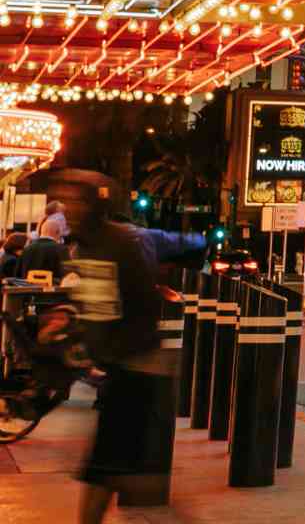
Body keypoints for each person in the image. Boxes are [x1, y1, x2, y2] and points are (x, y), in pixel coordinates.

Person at [47, 170, 165, 520]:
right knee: (113, 466)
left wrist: (113, 352)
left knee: (107, 466)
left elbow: (144, 306)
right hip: (115, 367)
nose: (68, 209)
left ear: (97, 205)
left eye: (76, 201)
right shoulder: (79, 247)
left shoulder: (122, 244)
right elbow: (88, 300)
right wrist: (67, 319)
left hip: (135, 367)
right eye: (65, 201)